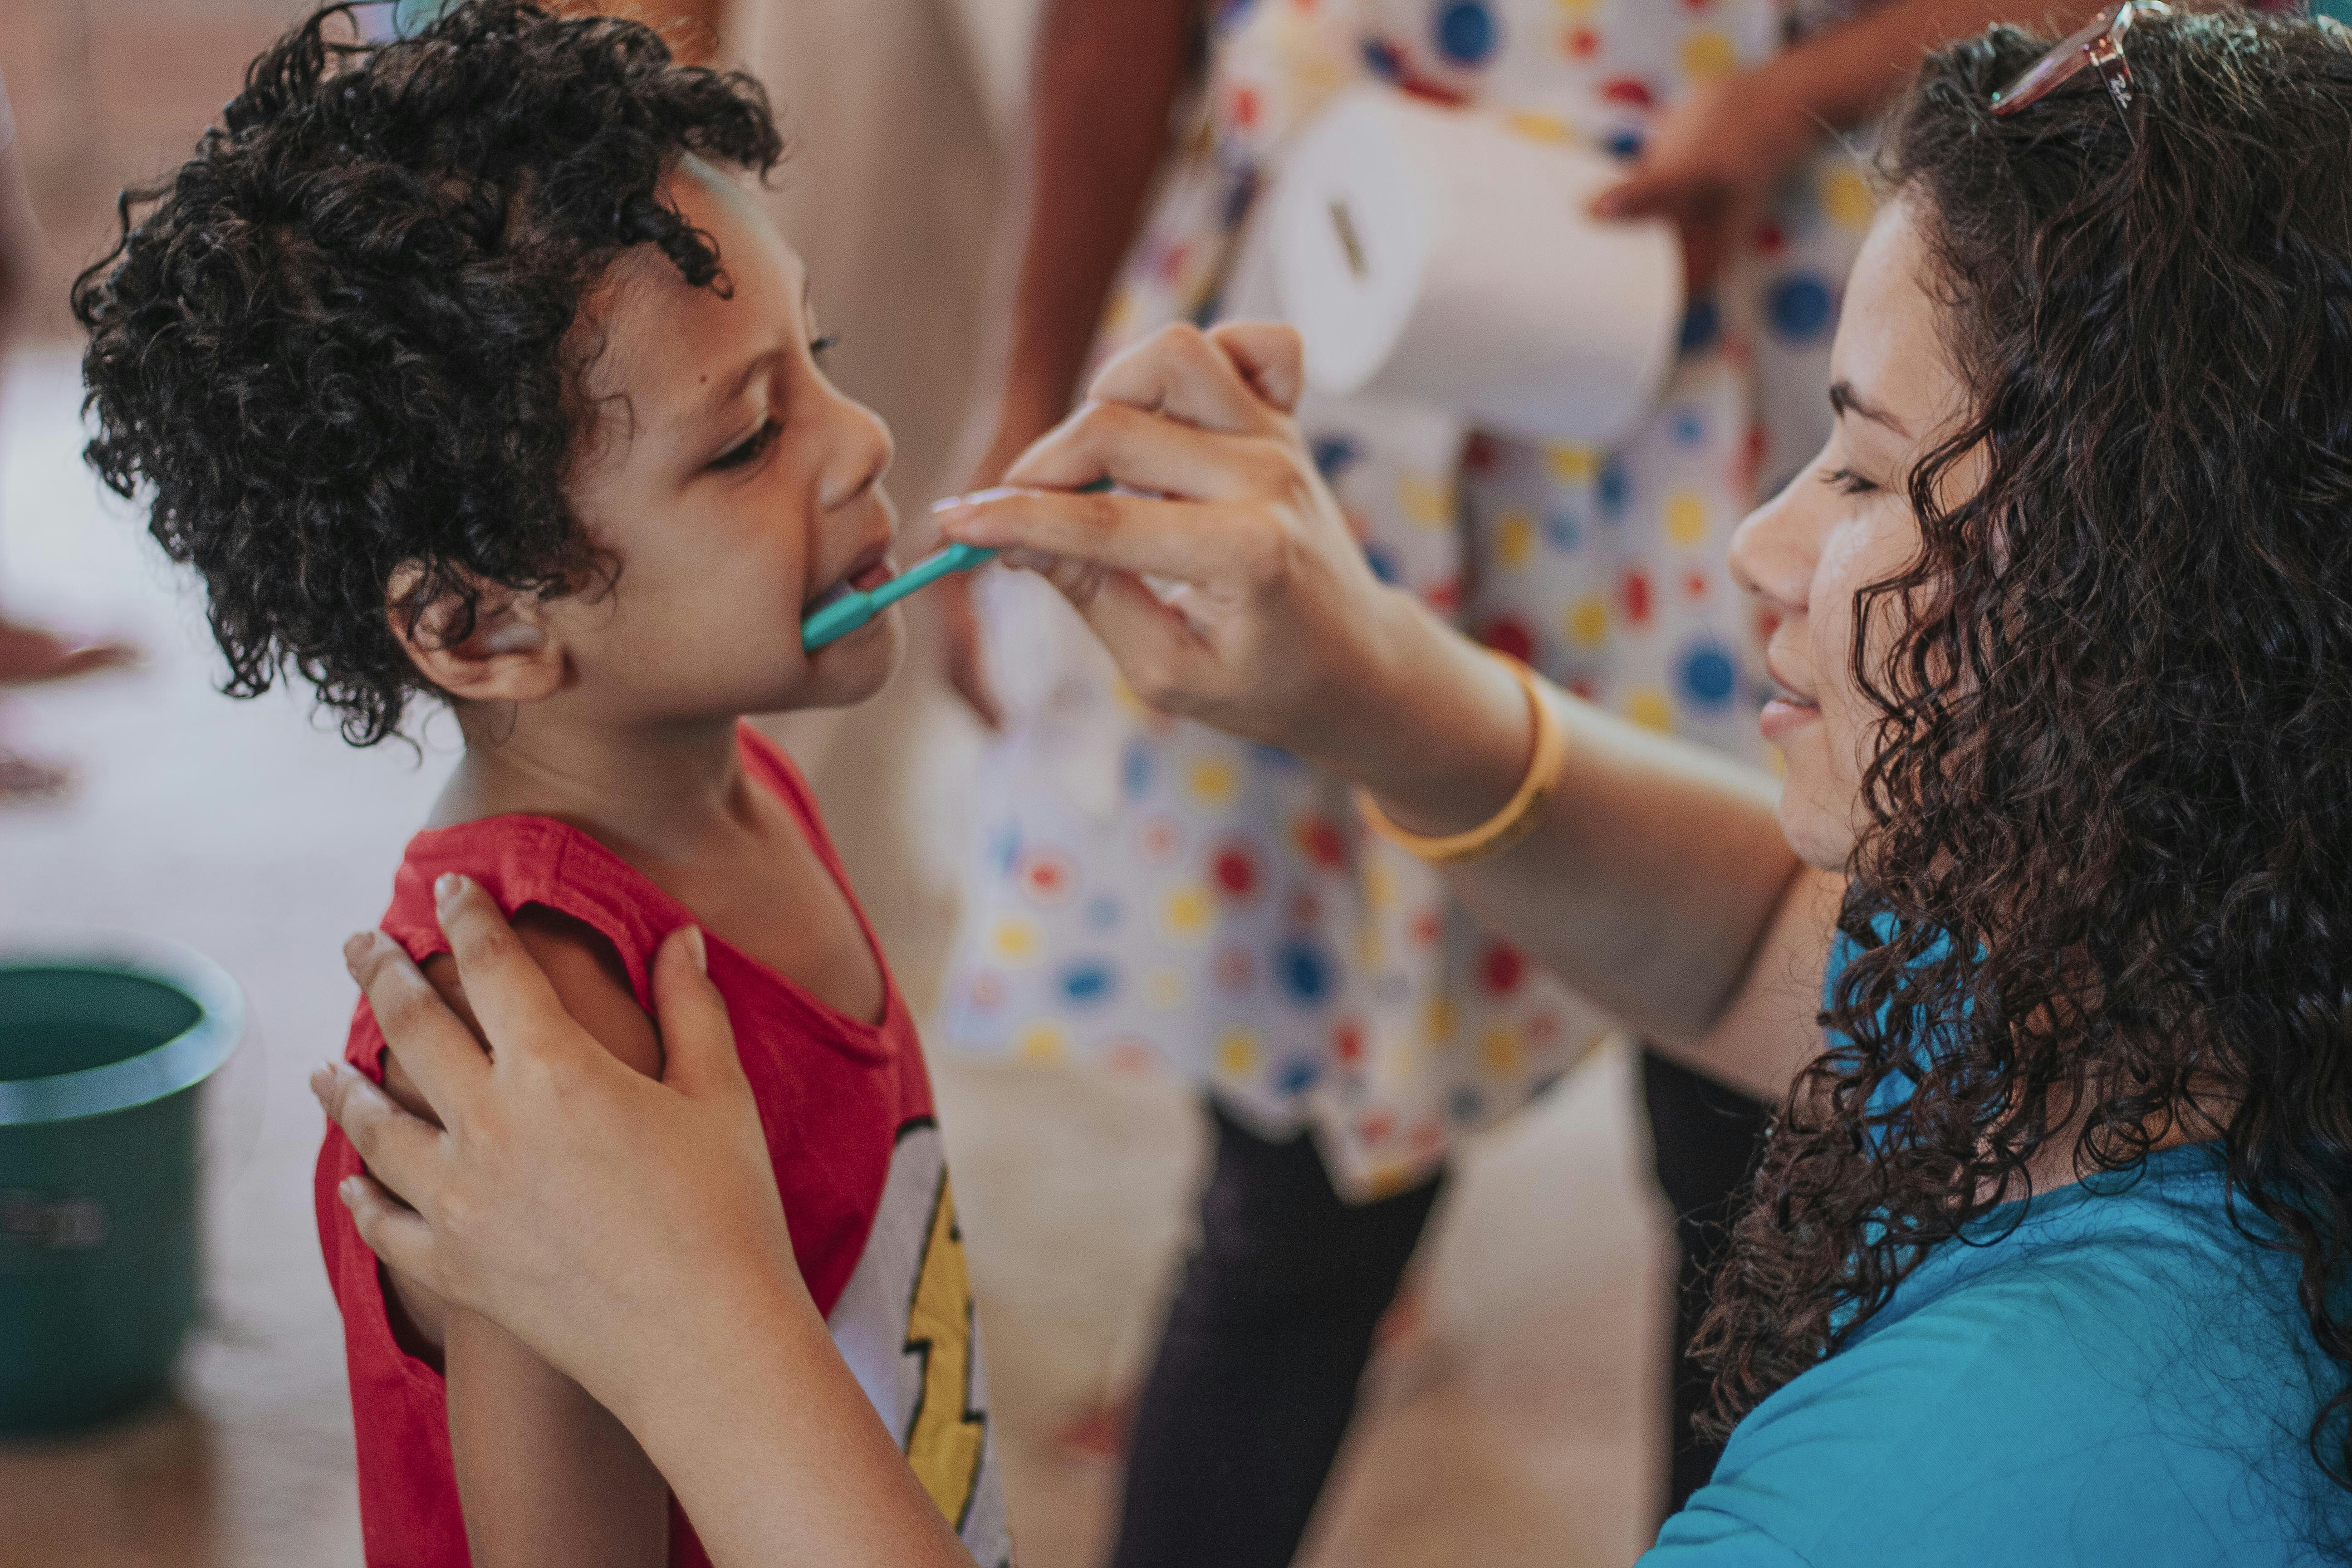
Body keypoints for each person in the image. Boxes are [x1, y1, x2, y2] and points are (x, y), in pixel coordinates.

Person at [317, 9, 2352, 1564]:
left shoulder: (1973, 1477)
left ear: (2158, 586)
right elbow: (1757, 938)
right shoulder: (2199, 997)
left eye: (1860, 459)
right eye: (749, 434)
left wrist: (701, 1333)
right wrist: (1367, 679)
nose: (1755, 548)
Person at [936, 0, 2100, 1541]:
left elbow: (1767, 957)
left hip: (1697, 339)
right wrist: (1034, 393)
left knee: (1757, 1164)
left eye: (1870, 476)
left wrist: (1780, 106)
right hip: (1372, 365)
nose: (1777, 557)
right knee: (1309, 1185)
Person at [72, 6, 1010, 1566]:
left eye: (819, 356)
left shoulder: (739, 771)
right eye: (750, 439)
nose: (864, 441)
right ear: (480, 623)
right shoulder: (545, 1038)